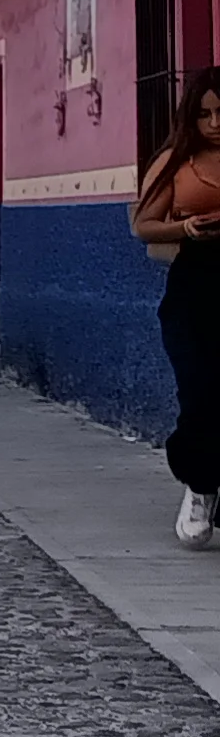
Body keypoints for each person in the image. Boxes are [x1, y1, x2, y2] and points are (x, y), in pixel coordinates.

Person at [135, 66, 220, 545]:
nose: (214, 122)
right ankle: (200, 484)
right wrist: (185, 229)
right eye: (204, 113)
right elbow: (145, 224)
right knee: (200, 387)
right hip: (196, 284)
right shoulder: (176, 162)